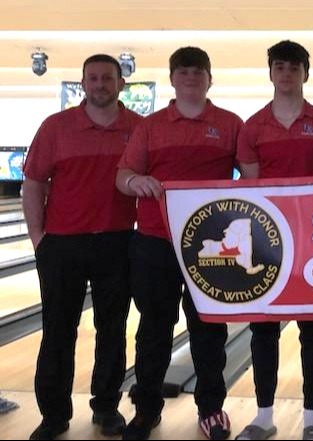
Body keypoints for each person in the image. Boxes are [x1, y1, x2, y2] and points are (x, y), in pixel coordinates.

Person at [116, 47, 243, 441]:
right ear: (173, 78)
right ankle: (147, 410)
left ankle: (211, 410)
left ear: (209, 78)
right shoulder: (151, 126)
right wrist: (135, 181)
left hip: (211, 249)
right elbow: (123, 174)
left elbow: (254, 177)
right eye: (183, 71)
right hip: (155, 241)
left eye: (198, 72)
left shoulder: (229, 123)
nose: (191, 77)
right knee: (153, 329)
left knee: (209, 328)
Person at [22, 54, 142, 440]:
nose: (100, 84)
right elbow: (34, 183)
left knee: (113, 328)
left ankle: (106, 407)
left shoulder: (138, 129)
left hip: (117, 241)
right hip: (62, 244)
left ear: (121, 83)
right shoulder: (56, 127)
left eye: (108, 78)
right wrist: (39, 239)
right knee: (58, 330)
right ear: (83, 84)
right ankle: (54, 415)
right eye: (93, 78)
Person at [234, 40, 313, 441]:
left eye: (295, 67)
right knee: (263, 331)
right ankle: (264, 416)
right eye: (280, 66)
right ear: (271, 72)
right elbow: (251, 189)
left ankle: (312, 417)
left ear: (305, 73)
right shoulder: (252, 126)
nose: (287, 73)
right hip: (267, 245)